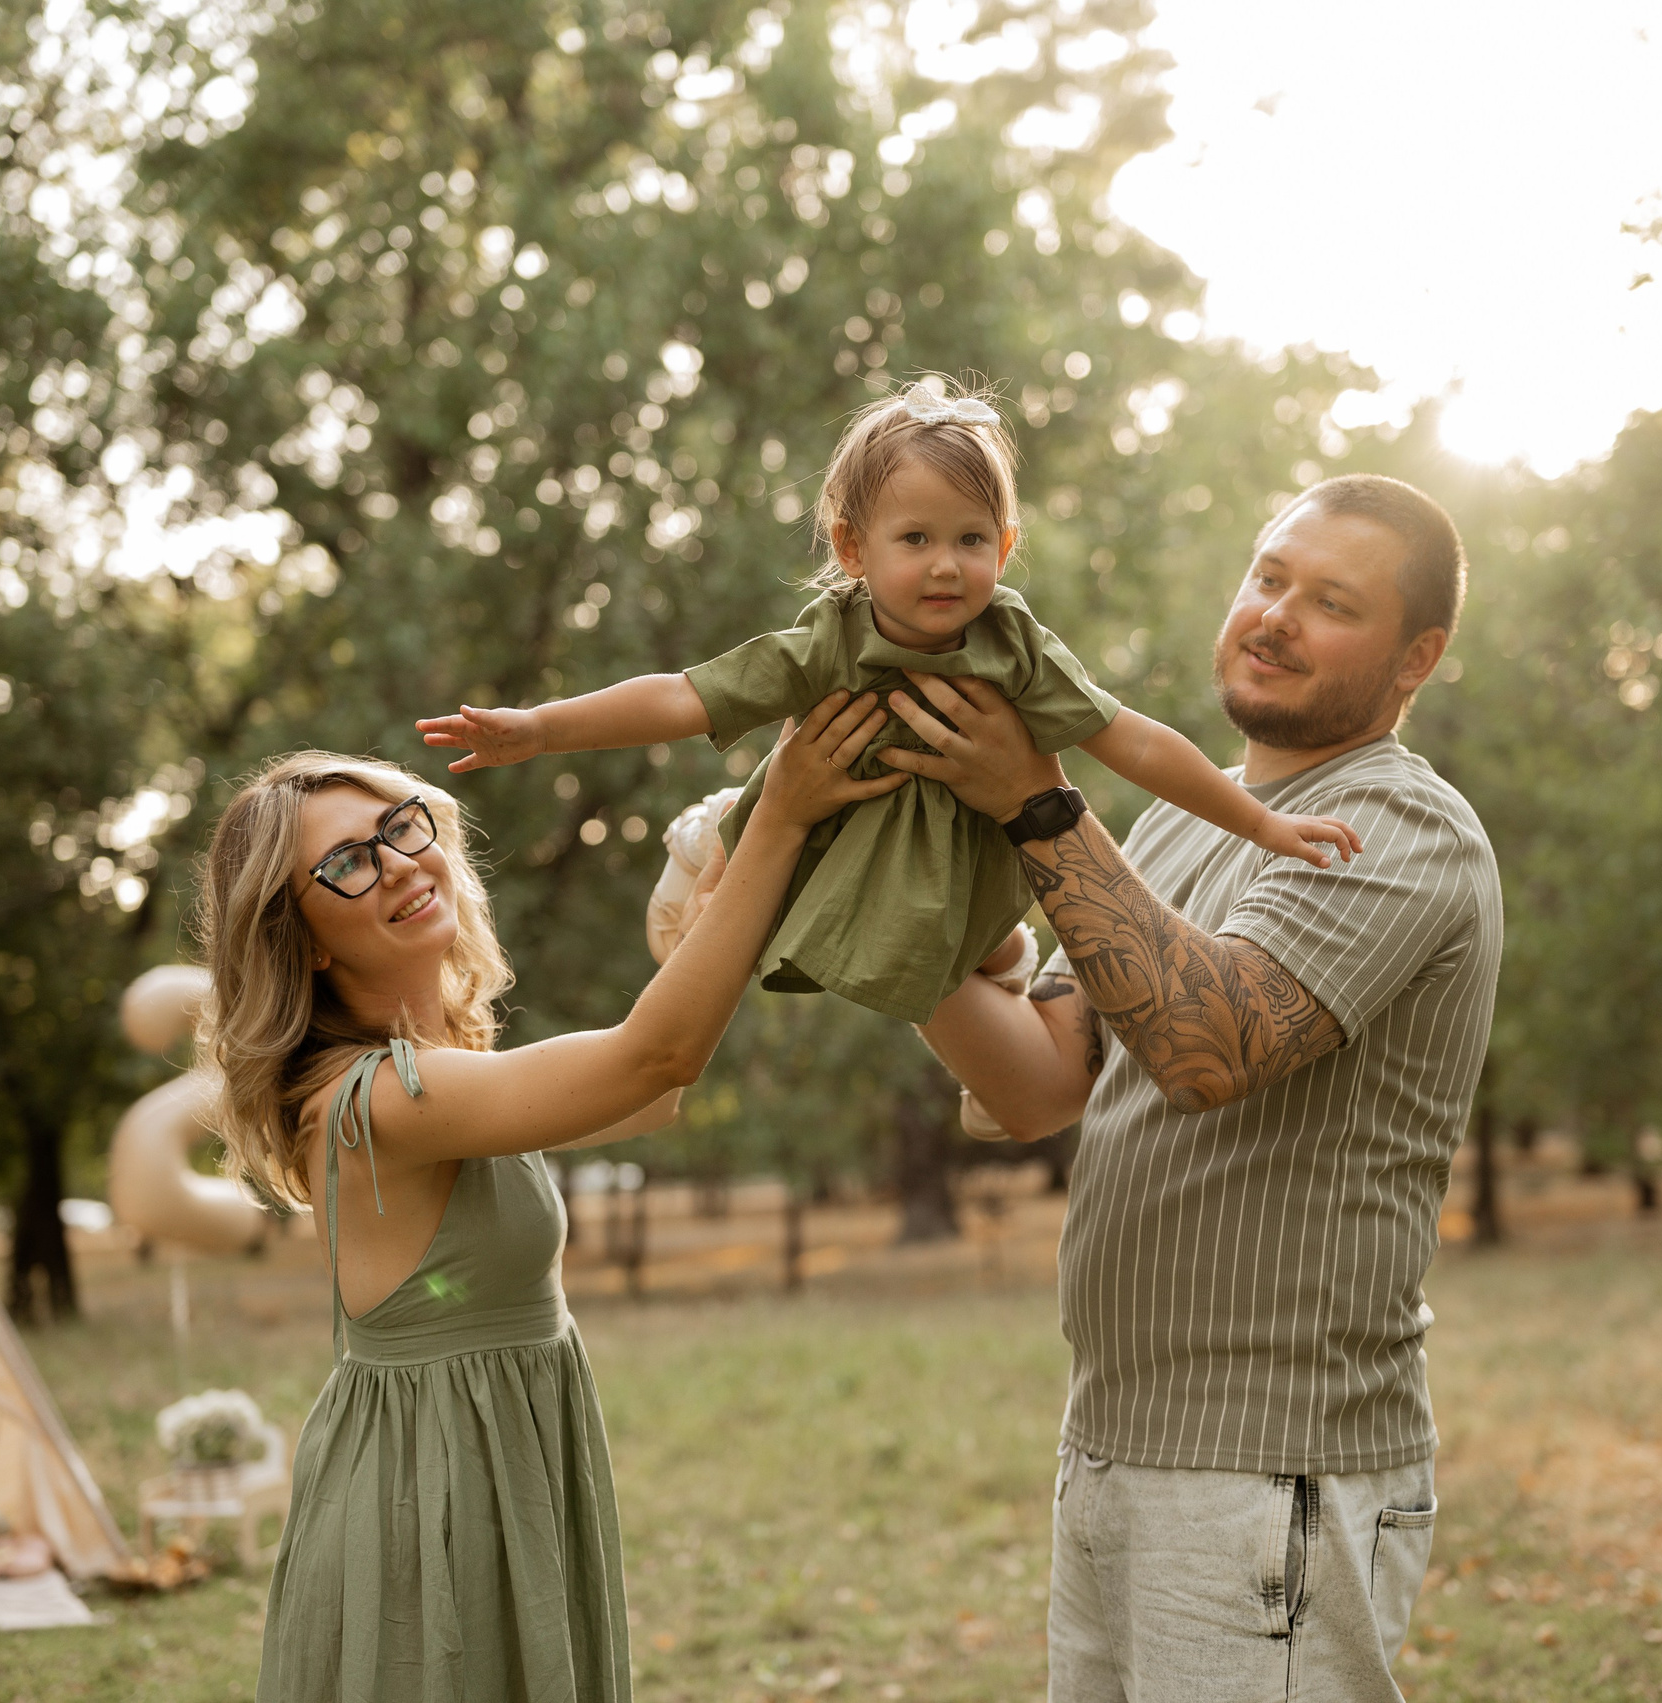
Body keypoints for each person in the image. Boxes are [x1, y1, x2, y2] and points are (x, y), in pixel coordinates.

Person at [885, 473, 1505, 1702]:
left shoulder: (1396, 823)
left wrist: (1032, 798)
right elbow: (1037, 1082)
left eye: (1330, 601)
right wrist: (863, 916)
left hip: (1274, 1471)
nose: (1273, 615)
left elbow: (1203, 1044)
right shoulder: (1168, 828)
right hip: (1112, 1447)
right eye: (1267, 576)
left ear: (1414, 656)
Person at [190, 700, 903, 1703]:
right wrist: (777, 821)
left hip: (497, 1467)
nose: (396, 862)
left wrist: (702, 910)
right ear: (298, 937)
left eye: (400, 827)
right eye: (347, 862)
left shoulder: (445, 1064)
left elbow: (655, 1093)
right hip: (426, 1495)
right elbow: (651, 1055)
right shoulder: (375, 1097)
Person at [414, 377, 1357, 1025]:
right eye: (915, 538)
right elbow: (680, 698)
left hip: (938, 853)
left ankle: (1000, 1007)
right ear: (855, 547)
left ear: (1006, 541)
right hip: (813, 832)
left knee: (986, 956)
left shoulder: (1011, 642)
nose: (947, 563)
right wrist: (540, 729)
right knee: (711, 945)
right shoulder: (831, 638)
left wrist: (1260, 824)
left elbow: (1131, 740)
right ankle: (704, 844)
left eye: (972, 538)